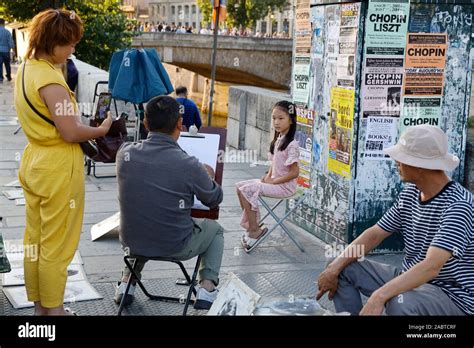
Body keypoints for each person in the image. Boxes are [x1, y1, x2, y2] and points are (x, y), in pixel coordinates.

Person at [14, 9, 112, 316]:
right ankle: (54, 313)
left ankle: (40, 309)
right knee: (57, 246)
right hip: (57, 168)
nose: (73, 50)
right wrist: (102, 129)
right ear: (53, 41)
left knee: (35, 241)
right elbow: (70, 131)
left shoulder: (27, 68)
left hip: (35, 161)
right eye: (69, 43)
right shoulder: (50, 80)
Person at [317, 125, 473, 316]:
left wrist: (379, 296)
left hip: (450, 294)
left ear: (420, 165)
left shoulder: (459, 206)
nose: (396, 162)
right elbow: (374, 235)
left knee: (401, 303)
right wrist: (334, 268)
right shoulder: (411, 192)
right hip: (412, 280)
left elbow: (431, 268)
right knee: (340, 264)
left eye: (402, 158)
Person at [114, 95, 224, 310]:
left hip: (132, 242)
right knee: (215, 230)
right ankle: (207, 289)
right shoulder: (189, 164)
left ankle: (126, 283)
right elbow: (214, 199)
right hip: (174, 245)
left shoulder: (124, 154)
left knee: (145, 219)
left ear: (145, 123)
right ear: (180, 125)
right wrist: (208, 177)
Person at [235, 101, 300, 252]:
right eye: (274, 118)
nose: (276, 122)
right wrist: (268, 176)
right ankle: (253, 225)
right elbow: (274, 164)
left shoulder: (292, 144)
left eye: (281, 118)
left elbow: (294, 172)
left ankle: (254, 229)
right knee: (239, 187)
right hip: (275, 182)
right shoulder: (278, 140)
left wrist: (274, 181)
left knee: (248, 189)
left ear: (291, 120)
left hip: (285, 187)